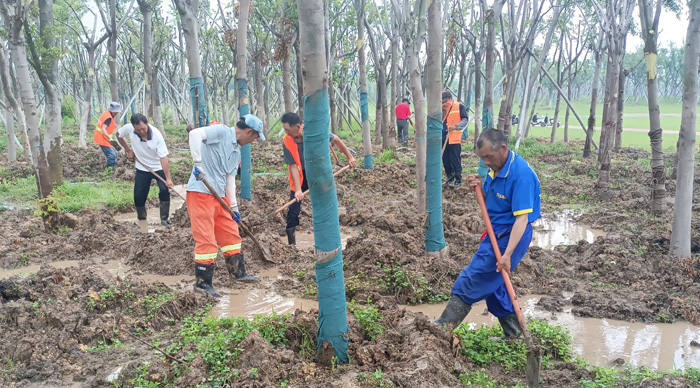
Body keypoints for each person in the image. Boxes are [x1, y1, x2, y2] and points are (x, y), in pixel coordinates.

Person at [433, 129, 541, 339]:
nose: (485, 162)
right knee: (495, 286)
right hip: (496, 231)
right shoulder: (496, 168)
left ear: (502, 148)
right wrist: (480, 190)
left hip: (511, 236)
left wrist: (507, 254)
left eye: (488, 157)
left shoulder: (521, 176)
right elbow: (492, 203)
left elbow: (522, 219)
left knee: (472, 278)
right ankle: (514, 334)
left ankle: (443, 327)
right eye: (481, 157)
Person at [186, 114, 266, 298]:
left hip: (220, 196)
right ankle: (203, 284)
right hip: (200, 192)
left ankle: (238, 273)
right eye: (254, 137)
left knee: (231, 234)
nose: (253, 141)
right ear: (248, 131)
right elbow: (195, 135)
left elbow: (230, 180)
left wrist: (234, 208)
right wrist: (198, 163)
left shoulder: (236, 151)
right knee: (206, 238)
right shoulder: (221, 131)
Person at [281, 112, 357, 245]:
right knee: (293, 209)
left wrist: (350, 157)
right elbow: (292, 166)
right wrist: (298, 190)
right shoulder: (287, 140)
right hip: (300, 177)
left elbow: (336, 139)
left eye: (287, 129)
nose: (286, 132)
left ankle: (328, 238)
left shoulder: (314, 133)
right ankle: (291, 245)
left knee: (325, 204)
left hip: (317, 174)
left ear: (298, 126)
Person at [115, 113, 174, 226]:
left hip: (158, 167)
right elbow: (118, 134)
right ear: (133, 127)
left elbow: (164, 159)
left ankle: (164, 220)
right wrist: (128, 150)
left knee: (164, 191)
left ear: (147, 124)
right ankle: (142, 219)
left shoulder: (156, 135)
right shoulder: (129, 129)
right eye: (138, 130)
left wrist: (168, 179)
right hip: (142, 167)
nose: (141, 131)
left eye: (143, 128)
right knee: (138, 195)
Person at [441, 91, 469, 187]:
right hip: (443, 137)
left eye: (445, 101)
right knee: (445, 159)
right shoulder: (441, 107)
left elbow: (465, 119)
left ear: (450, 98)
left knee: (455, 159)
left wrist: (456, 127)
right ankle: (449, 177)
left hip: (454, 138)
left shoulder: (459, 106)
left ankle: (458, 179)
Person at [93, 102, 121, 168]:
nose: (116, 113)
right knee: (112, 156)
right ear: (112, 110)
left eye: (117, 111)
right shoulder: (108, 118)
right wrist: (110, 138)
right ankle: (109, 170)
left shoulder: (107, 113)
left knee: (115, 155)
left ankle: (114, 168)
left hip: (104, 138)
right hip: (103, 139)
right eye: (115, 111)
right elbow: (103, 129)